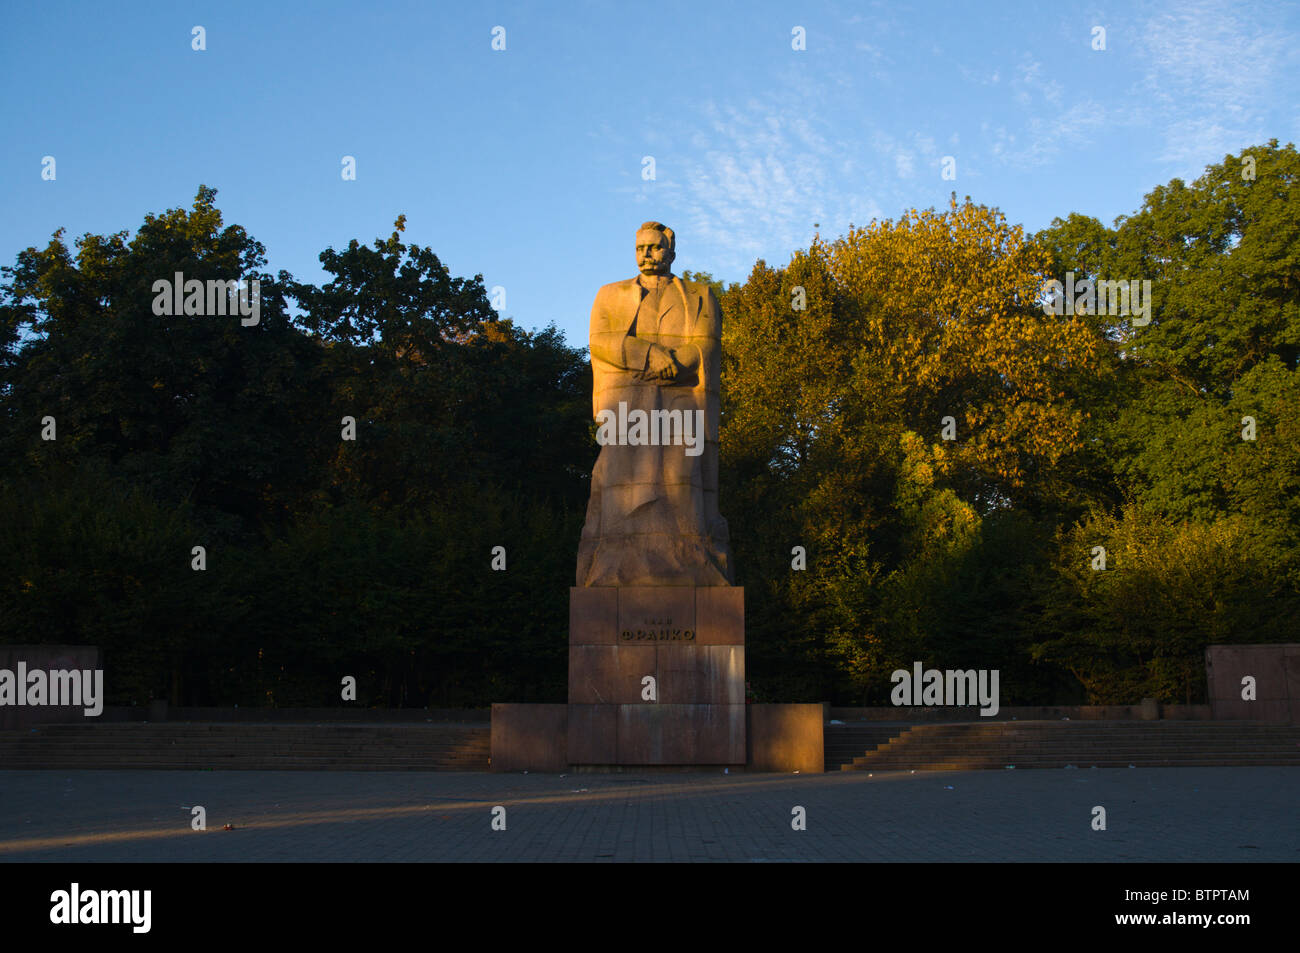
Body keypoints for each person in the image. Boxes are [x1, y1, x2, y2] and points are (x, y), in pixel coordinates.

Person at [576, 222, 733, 587]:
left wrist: (677, 362)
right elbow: (600, 341)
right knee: (621, 487)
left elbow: (707, 344)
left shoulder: (700, 294)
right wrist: (648, 354)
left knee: (682, 485)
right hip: (627, 405)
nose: (647, 254)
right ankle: (612, 569)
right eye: (640, 248)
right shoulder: (610, 295)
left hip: (682, 403)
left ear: (671, 252)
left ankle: (693, 565)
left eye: (655, 247)